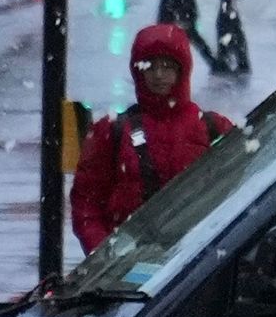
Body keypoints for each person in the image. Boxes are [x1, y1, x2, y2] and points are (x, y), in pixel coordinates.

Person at [67, 20, 234, 250]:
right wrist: (105, 254)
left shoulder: (214, 128)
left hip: (197, 260)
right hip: (129, 266)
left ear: (181, 70)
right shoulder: (112, 132)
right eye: (150, 67)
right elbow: (87, 204)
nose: (158, 75)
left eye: (167, 67)